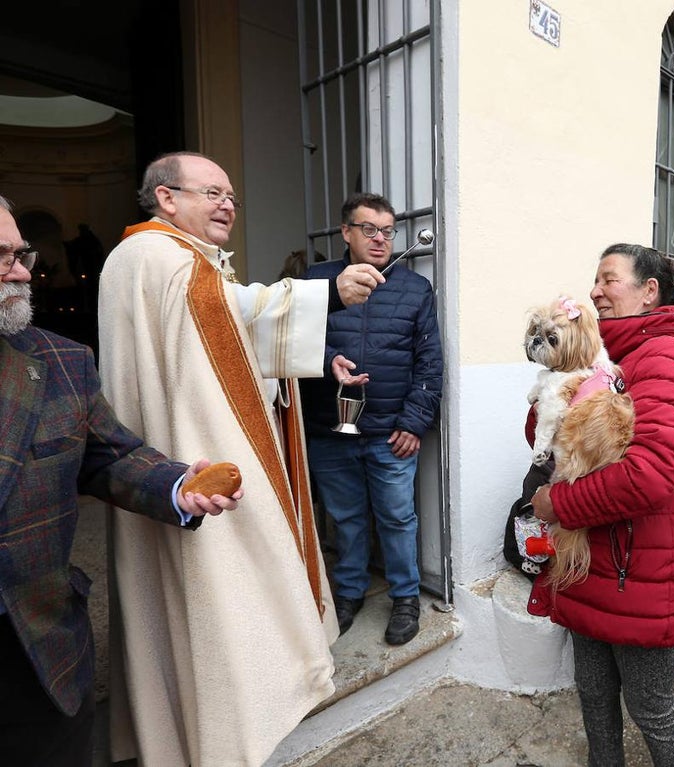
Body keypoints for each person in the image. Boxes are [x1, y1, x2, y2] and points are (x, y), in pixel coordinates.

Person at [97, 151, 384, 766]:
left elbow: (223, 336)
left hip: (163, 455)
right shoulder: (160, 256)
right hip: (181, 459)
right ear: (167, 198)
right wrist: (325, 293)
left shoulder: (170, 259)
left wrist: (309, 354)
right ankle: (228, 720)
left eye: (231, 194)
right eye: (212, 192)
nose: (228, 203)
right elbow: (224, 318)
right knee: (222, 577)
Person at [0, 195, 241, 767]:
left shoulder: (62, 362)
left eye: (20, 252)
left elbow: (108, 457)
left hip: (34, 649)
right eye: (0, 256)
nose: (20, 270)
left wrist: (177, 486)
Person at [527, 243, 674, 766]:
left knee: (651, 707)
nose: (595, 290)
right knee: (594, 693)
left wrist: (557, 504)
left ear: (650, 291)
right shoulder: (609, 356)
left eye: (609, 279)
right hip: (594, 562)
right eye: (595, 280)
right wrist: (551, 401)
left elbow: (649, 476)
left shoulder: (662, 360)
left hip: (641, 565)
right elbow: (564, 446)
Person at [300, 193, 443, 643]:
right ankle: (349, 594)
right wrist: (328, 361)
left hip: (390, 431)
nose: (380, 239)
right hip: (329, 426)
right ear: (346, 232)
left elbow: (429, 362)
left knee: (398, 517)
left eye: (387, 231)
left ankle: (405, 598)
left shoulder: (415, 288)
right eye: (369, 229)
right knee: (345, 518)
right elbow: (292, 342)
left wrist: (414, 422)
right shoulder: (315, 283)